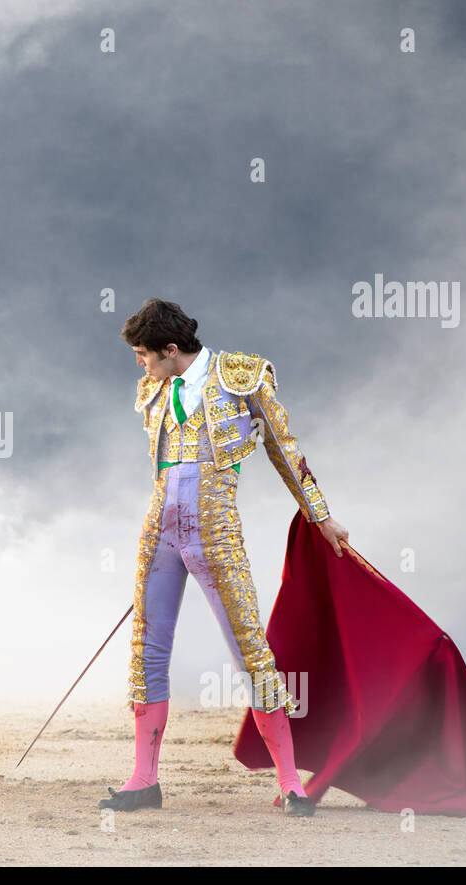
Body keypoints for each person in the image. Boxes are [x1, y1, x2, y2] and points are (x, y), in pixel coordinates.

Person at [102, 297, 348, 816]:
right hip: (159, 536)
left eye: (145, 354)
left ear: (172, 350)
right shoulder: (153, 386)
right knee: (147, 652)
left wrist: (321, 516)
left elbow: (284, 449)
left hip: (216, 534)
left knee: (251, 654)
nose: (139, 364)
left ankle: (288, 782)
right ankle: (144, 779)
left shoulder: (243, 376)